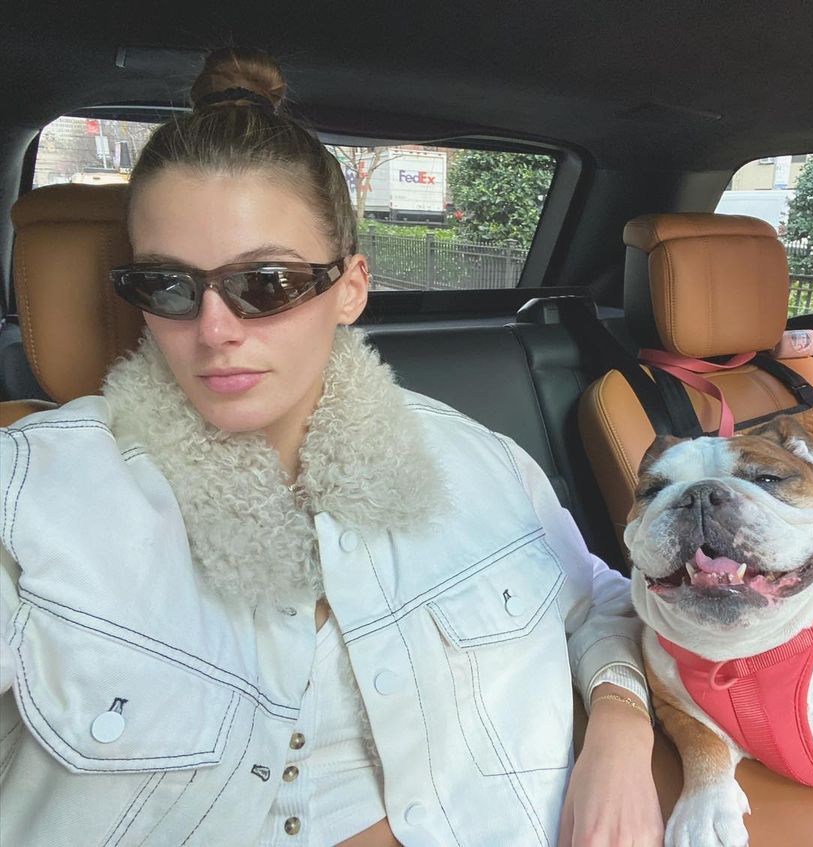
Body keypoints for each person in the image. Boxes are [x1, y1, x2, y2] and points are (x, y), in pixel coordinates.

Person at [0, 47, 663, 846]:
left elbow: (598, 597)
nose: (214, 330)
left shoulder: (480, 461)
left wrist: (621, 728)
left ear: (350, 288)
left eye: (266, 283)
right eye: (167, 285)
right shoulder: (33, 489)